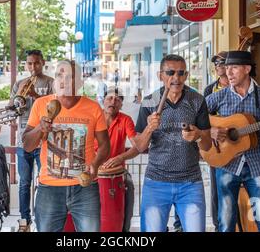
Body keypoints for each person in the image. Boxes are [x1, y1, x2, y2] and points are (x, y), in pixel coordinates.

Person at [22, 60, 110, 232]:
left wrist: (95, 164)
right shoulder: (41, 105)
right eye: (59, 75)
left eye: (69, 76)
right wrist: (40, 127)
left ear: (79, 82)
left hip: (85, 187)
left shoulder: (93, 108)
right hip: (49, 187)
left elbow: (105, 144)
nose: (63, 80)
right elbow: (27, 145)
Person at [206, 50, 260, 232]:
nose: (228, 72)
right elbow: (196, 116)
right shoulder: (219, 96)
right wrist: (210, 130)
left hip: (256, 165)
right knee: (225, 222)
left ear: (247, 69)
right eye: (227, 68)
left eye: (233, 68)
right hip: (227, 164)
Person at [133, 54, 212, 232]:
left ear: (186, 75)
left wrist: (198, 135)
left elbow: (207, 146)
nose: (176, 78)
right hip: (156, 182)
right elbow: (139, 146)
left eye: (181, 73)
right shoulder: (149, 101)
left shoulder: (197, 100)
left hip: (190, 182)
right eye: (170, 72)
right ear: (160, 75)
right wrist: (149, 129)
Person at [9, 49, 54, 232]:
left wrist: (35, 96)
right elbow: (12, 110)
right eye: (29, 63)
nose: (32, 66)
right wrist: (20, 94)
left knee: (44, 181)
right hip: (23, 141)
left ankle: (43, 217)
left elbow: (54, 108)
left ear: (43, 62)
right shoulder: (19, 83)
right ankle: (24, 220)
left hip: (43, 141)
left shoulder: (50, 83)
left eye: (36, 63)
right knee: (24, 183)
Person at [97, 86, 139, 232]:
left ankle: (124, 230)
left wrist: (120, 157)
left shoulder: (125, 120)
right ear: (103, 101)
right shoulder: (94, 117)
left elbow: (137, 147)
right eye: (109, 98)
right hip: (93, 171)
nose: (113, 101)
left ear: (121, 104)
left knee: (130, 186)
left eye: (117, 99)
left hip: (118, 172)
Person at [202, 51, 229, 232]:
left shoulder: (243, 88)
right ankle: (219, 225)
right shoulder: (209, 90)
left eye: (222, 62)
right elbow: (202, 118)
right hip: (217, 145)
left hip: (237, 141)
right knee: (217, 186)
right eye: (216, 63)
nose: (218, 65)